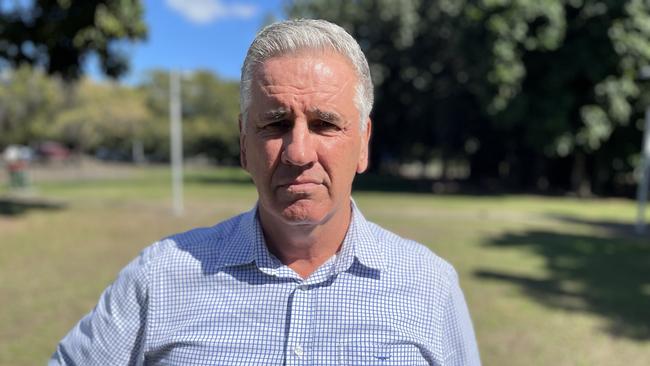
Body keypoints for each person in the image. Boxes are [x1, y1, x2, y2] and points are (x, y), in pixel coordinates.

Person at [49, 19, 481, 365]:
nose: (298, 152)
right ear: (243, 144)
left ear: (364, 142)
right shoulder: (158, 279)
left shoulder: (430, 286)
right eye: (274, 124)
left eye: (325, 124)